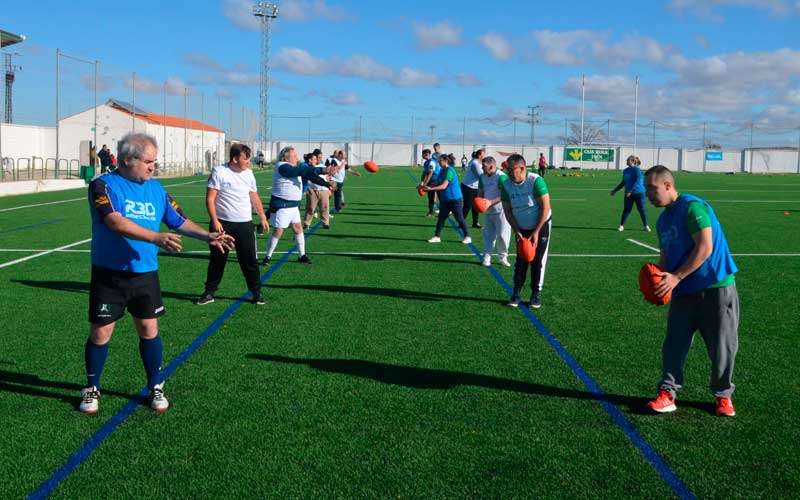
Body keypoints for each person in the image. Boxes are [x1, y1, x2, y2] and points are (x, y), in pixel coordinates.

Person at [80, 133, 234, 415]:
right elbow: (114, 221)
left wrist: (207, 236)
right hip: (109, 275)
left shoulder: (156, 189)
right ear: (128, 160)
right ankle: (91, 388)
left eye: (155, 161)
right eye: (149, 161)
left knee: (149, 329)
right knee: (101, 333)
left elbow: (178, 220)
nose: (153, 167)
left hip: (145, 274)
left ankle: (155, 385)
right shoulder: (103, 185)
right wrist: (155, 237)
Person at [643, 165, 739, 417]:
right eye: (645, 190)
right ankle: (668, 392)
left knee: (722, 346)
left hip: (715, 287)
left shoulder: (693, 207)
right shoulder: (663, 220)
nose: (648, 195)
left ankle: (723, 396)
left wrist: (676, 277)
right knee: (674, 343)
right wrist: (659, 283)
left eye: (652, 189)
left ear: (667, 185)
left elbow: (705, 247)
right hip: (683, 290)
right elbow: (666, 256)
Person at [196, 143, 268, 306]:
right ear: (235, 159)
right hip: (223, 225)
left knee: (249, 261)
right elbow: (210, 198)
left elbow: (254, 196)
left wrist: (262, 216)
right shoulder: (220, 171)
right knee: (217, 260)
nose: (249, 161)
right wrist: (214, 220)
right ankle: (209, 293)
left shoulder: (249, 174)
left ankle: (256, 293)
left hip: (245, 225)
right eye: (245, 158)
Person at [261, 146, 334, 266]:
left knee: (298, 229)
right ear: (286, 157)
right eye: (294, 155)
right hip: (283, 205)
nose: (297, 158)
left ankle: (302, 255)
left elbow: (311, 176)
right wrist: (323, 170)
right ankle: (267, 256)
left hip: (293, 206)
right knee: (278, 231)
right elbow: (300, 172)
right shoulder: (282, 165)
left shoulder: (295, 167)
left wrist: (326, 184)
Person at [501, 153, 552, 309]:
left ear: (522, 168)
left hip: (540, 224)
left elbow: (545, 207)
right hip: (521, 227)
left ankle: (535, 293)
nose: (508, 172)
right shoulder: (506, 184)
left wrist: (536, 231)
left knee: (536, 261)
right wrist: (517, 230)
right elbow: (508, 211)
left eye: (511, 169)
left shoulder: (536, 181)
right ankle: (516, 293)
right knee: (521, 260)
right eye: (506, 169)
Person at [423, 153, 471, 244]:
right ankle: (437, 236)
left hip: (455, 199)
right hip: (446, 200)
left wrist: (431, 189)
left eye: (439, 161)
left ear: (445, 160)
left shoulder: (450, 170)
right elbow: (437, 182)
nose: (438, 163)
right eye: (438, 161)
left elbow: (444, 186)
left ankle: (467, 236)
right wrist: (424, 186)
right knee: (441, 218)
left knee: (459, 218)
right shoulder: (442, 170)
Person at [478, 156, 511, 267]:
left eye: (484, 166)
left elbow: (505, 194)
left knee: (503, 235)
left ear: (491, 166)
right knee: (488, 235)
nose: (482, 168)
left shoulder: (501, 177)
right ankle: (487, 257)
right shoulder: (482, 177)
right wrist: (479, 203)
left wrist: (490, 202)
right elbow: (481, 192)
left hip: (502, 210)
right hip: (488, 211)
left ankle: (503, 257)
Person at [611, 155, 651, 232]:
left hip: (639, 193)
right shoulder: (625, 170)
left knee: (642, 209)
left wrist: (630, 191)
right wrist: (615, 190)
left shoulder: (637, 170)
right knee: (626, 209)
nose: (626, 161)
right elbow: (623, 182)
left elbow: (637, 181)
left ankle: (646, 225)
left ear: (632, 161)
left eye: (627, 160)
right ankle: (621, 226)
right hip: (628, 193)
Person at [303, 149, 331, 229]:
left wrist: (329, 188)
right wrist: (308, 189)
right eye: (318, 157)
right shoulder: (309, 167)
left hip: (324, 190)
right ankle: (306, 223)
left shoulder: (323, 166)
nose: (320, 159)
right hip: (312, 190)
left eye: (321, 157)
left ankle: (325, 223)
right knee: (310, 208)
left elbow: (327, 178)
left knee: (325, 208)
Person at [328, 149, 360, 213]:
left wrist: (355, 173)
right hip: (334, 180)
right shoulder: (334, 161)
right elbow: (335, 170)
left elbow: (348, 169)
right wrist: (342, 164)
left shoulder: (343, 161)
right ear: (340, 155)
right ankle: (325, 207)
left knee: (338, 195)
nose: (345, 155)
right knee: (331, 194)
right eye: (344, 154)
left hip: (340, 181)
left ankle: (337, 208)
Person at [461, 148, 484, 229]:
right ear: (479, 155)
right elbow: (480, 175)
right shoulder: (475, 163)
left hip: (475, 187)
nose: (484, 156)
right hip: (468, 186)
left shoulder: (478, 162)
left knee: (476, 205)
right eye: (483, 154)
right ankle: (461, 222)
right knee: (467, 205)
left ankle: (475, 222)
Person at [419, 148, 440, 217]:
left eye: (422, 154)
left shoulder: (432, 162)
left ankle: (431, 212)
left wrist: (424, 184)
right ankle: (431, 212)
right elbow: (424, 173)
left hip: (436, 181)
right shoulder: (426, 163)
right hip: (431, 181)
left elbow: (430, 173)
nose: (422, 156)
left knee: (433, 197)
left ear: (426, 154)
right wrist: (422, 182)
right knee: (431, 197)